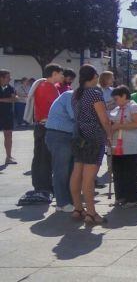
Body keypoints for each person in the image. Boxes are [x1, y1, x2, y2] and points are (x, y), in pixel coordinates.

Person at [70, 64, 112, 225]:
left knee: (77, 172)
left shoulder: (76, 93)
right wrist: (109, 135)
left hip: (78, 136)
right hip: (93, 137)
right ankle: (91, 213)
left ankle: (78, 208)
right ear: (93, 76)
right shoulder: (95, 94)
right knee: (89, 177)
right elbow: (103, 118)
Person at [27, 64, 63, 199]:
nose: (62, 76)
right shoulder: (49, 87)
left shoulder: (42, 85)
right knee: (43, 158)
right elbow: (56, 107)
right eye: (60, 74)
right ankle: (43, 187)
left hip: (40, 125)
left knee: (41, 157)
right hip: (45, 125)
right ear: (54, 73)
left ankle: (43, 186)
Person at [109, 85, 137, 208]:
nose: (115, 101)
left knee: (130, 172)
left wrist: (119, 126)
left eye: (117, 98)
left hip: (130, 145)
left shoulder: (134, 107)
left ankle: (131, 199)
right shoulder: (116, 109)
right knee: (118, 171)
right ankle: (120, 196)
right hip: (116, 146)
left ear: (124, 96)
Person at [44, 89, 75, 212]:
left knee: (70, 170)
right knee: (61, 170)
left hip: (68, 135)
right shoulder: (70, 95)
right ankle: (62, 202)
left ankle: (67, 201)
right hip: (60, 135)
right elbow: (75, 115)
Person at [0, 70, 16, 165]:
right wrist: (7, 100)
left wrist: (1, 99)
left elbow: (14, 99)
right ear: (1, 78)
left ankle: (8, 157)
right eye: (7, 77)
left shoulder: (10, 88)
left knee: (8, 135)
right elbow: (11, 99)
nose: (10, 79)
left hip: (7, 115)